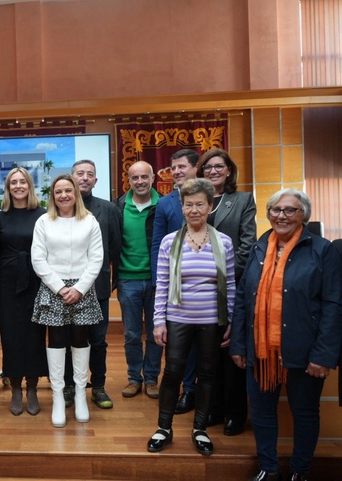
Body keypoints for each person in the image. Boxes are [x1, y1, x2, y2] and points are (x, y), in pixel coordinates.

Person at [231, 189, 342, 481]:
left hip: (305, 352)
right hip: (261, 352)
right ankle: (268, 468)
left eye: (290, 210)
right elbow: (244, 299)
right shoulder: (259, 247)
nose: (282, 216)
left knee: (305, 413)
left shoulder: (322, 249)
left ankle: (300, 471)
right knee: (262, 412)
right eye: (276, 210)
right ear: (268, 214)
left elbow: (333, 304)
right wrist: (240, 346)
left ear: (303, 214)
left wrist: (323, 355)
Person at [146, 178, 235, 456]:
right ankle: (164, 428)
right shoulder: (170, 242)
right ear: (182, 208)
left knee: (207, 374)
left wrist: (230, 319)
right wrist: (159, 321)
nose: (194, 210)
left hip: (211, 321)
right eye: (188, 205)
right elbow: (161, 282)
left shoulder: (224, 242)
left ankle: (200, 429)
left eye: (200, 204)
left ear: (210, 206)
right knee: (172, 373)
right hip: (178, 319)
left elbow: (230, 284)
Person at [31, 174, 104, 428]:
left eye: (68, 191)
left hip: (82, 289)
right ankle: (58, 398)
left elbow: (96, 258)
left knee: (80, 340)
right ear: (52, 195)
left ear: (76, 194)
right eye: (58, 191)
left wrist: (80, 288)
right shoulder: (43, 221)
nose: (63, 195)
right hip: (54, 288)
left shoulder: (90, 221)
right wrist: (61, 288)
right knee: (57, 341)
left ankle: (81, 395)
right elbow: (38, 259)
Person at [197, 147, 257, 436]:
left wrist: (224, 278)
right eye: (207, 168)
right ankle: (214, 409)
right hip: (200, 292)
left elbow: (247, 244)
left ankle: (235, 413)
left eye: (218, 166)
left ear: (229, 170)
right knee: (208, 353)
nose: (213, 172)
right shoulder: (198, 201)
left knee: (232, 351)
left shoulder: (242, 200)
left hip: (232, 287)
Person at [67, 160, 121, 410]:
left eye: (90, 174)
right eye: (80, 173)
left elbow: (116, 248)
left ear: (96, 181)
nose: (85, 178)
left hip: (97, 286)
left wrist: (113, 282)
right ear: (72, 177)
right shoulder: (61, 208)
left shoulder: (109, 209)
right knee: (68, 340)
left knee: (98, 340)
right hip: (65, 289)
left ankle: (98, 386)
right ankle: (69, 386)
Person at [150, 149, 201, 414]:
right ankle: (182, 387)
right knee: (177, 342)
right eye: (174, 168)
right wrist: (158, 282)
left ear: (195, 168)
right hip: (173, 283)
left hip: (204, 283)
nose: (177, 172)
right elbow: (157, 243)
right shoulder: (165, 203)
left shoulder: (207, 198)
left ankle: (195, 391)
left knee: (200, 343)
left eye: (182, 167)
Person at [0, 168, 47, 416]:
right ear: (8, 187)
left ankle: (33, 387)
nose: (18, 186)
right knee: (12, 336)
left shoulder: (44, 215)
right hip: (7, 284)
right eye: (13, 182)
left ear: (29, 185)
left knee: (35, 335)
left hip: (37, 281)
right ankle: (16, 387)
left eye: (22, 181)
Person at [114, 160, 161, 399]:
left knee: (156, 332)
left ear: (152, 178)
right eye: (135, 178)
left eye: (145, 177)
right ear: (128, 180)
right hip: (127, 280)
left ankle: (152, 378)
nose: (140, 182)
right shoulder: (119, 206)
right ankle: (134, 378)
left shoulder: (163, 205)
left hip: (157, 281)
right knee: (131, 334)